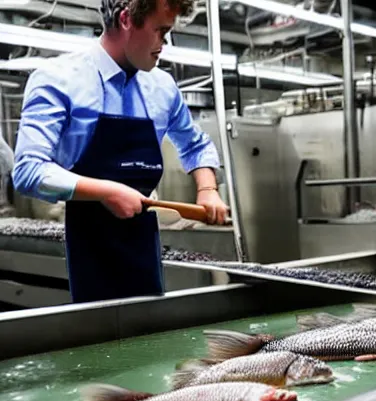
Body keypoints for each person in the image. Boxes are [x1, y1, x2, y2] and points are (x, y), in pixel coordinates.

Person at [12, 0, 229, 304]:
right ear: (127, 19)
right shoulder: (58, 79)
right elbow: (28, 171)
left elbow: (195, 143)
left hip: (144, 243)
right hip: (89, 247)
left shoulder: (162, 87)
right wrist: (105, 191)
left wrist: (208, 189)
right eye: (160, 31)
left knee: (150, 333)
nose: (163, 45)